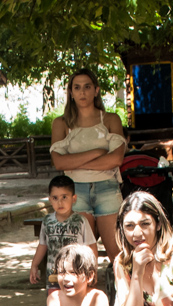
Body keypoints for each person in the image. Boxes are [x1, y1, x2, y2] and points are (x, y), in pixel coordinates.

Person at [50, 68, 128, 262]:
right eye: (77, 87)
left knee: (117, 254)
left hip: (107, 188)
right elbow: (59, 162)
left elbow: (116, 160)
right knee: (81, 255)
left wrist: (76, 161)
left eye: (87, 87)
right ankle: (86, 292)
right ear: (71, 92)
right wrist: (97, 153)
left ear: (96, 90)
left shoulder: (110, 119)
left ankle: (125, 291)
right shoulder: (61, 123)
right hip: (76, 191)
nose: (82, 92)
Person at [28, 175, 98, 291]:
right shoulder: (47, 221)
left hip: (76, 274)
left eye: (64, 197)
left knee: (75, 304)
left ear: (74, 198)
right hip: (54, 274)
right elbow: (43, 245)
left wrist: (93, 269)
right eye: (55, 198)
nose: (60, 202)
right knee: (54, 302)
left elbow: (91, 246)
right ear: (50, 200)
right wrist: (34, 265)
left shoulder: (81, 221)